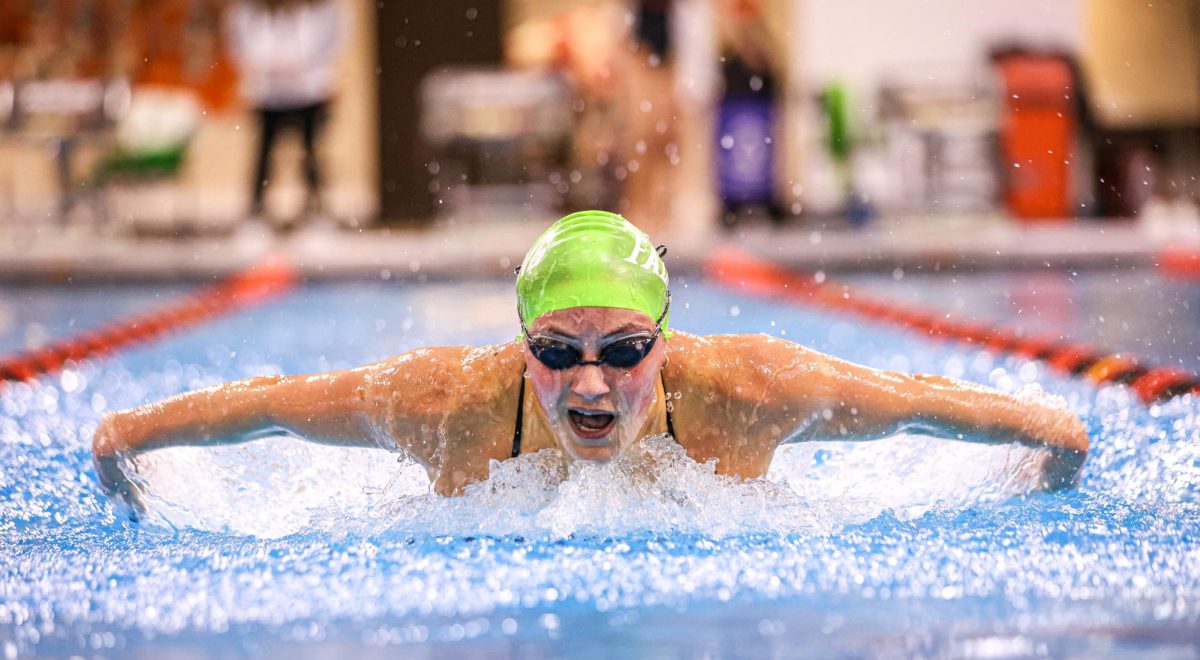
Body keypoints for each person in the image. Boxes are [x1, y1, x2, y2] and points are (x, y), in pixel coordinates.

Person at [93, 211, 1089, 514]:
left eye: (624, 351)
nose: (591, 382)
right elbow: (274, 403)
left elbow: (917, 400)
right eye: (557, 353)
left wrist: (1052, 449)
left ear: (666, 340)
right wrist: (125, 444)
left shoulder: (750, 390)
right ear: (521, 349)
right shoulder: (449, 405)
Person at [224, 0, 342, 223]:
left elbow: (333, 41)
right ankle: (256, 210)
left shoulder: (321, 10)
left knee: (312, 152)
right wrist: (268, 64)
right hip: (268, 92)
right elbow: (239, 43)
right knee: (264, 154)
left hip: (310, 91)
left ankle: (316, 207)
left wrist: (308, 68)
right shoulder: (250, 11)